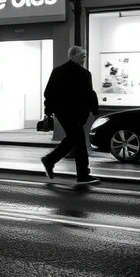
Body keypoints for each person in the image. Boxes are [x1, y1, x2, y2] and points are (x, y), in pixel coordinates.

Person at [40, 45, 100, 185]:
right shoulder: (84, 74)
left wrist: (48, 111)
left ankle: (51, 161)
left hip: (62, 113)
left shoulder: (57, 71)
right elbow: (89, 94)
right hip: (75, 113)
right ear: (73, 56)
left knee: (74, 139)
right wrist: (94, 111)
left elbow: (48, 93)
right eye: (82, 56)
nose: (84, 58)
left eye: (85, 56)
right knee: (78, 140)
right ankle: (82, 174)